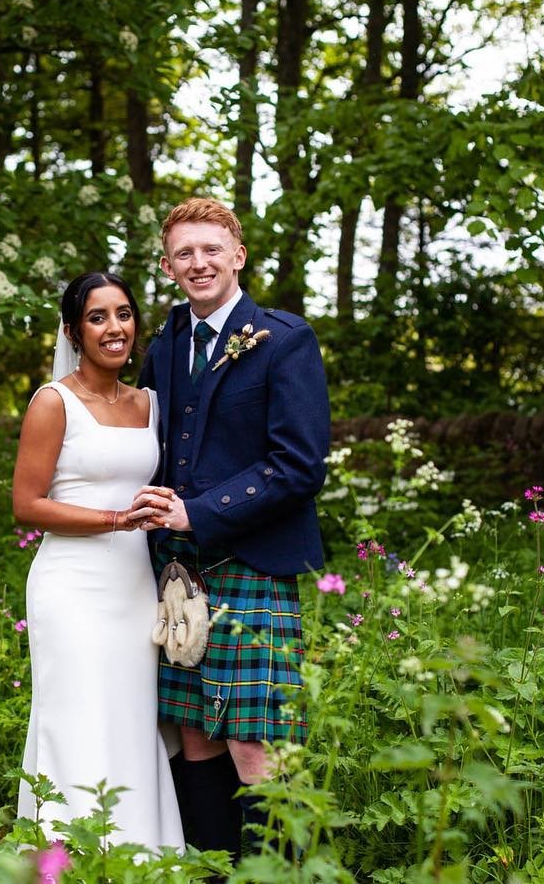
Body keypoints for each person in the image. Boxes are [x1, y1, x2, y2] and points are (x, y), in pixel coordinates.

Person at [132, 198, 331, 859]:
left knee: (254, 741)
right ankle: (215, 873)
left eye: (211, 249)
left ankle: (279, 876)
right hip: (179, 569)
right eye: (184, 253)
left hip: (254, 560)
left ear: (237, 255)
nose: (199, 263)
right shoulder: (163, 346)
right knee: (195, 732)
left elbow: (299, 465)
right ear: (167, 266)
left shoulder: (284, 339)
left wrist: (202, 509)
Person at [12, 271, 185, 851]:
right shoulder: (53, 401)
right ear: (73, 330)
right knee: (79, 715)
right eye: (97, 317)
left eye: (124, 314)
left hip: (134, 584)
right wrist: (115, 521)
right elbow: (27, 504)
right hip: (73, 587)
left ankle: (143, 853)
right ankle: (69, 853)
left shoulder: (152, 404)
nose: (115, 328)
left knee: (131, 718)